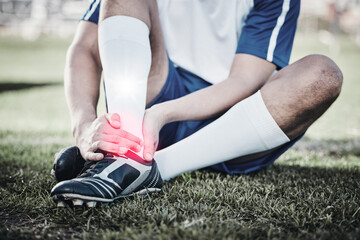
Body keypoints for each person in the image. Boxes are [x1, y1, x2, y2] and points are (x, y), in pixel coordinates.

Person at [50, 0, 343, 207]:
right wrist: (84, 126)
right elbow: (85, 49)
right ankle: (124, 152)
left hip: (237, 124)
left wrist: (162, 114)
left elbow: (244, 82)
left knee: (322, 74)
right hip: (159, 90)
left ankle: (144, 167)